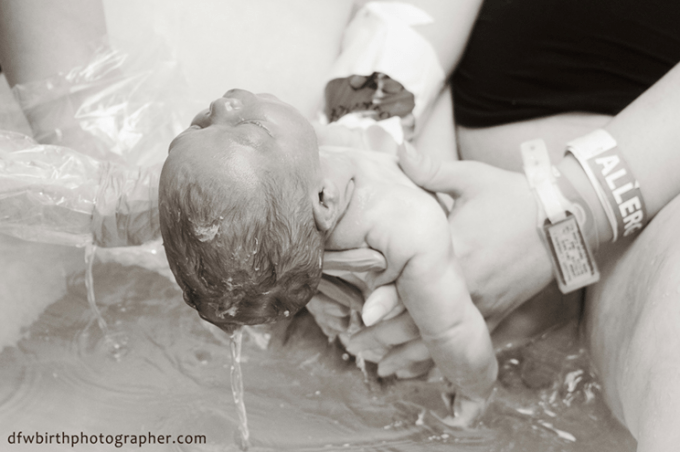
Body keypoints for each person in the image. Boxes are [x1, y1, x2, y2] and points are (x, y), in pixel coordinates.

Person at [314, 1, 680, 451]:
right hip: (457, 181)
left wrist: (561, 209)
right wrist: (362, 139)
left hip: (656, 217)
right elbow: (411, 23)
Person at [157, 88, 497, 425]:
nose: (219, 105)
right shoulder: (406, 224)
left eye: (200, 128)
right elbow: (452, 330)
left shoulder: (291, 175)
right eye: (252, 129)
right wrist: (475, 390)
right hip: (417, 320)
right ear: (324, 200)